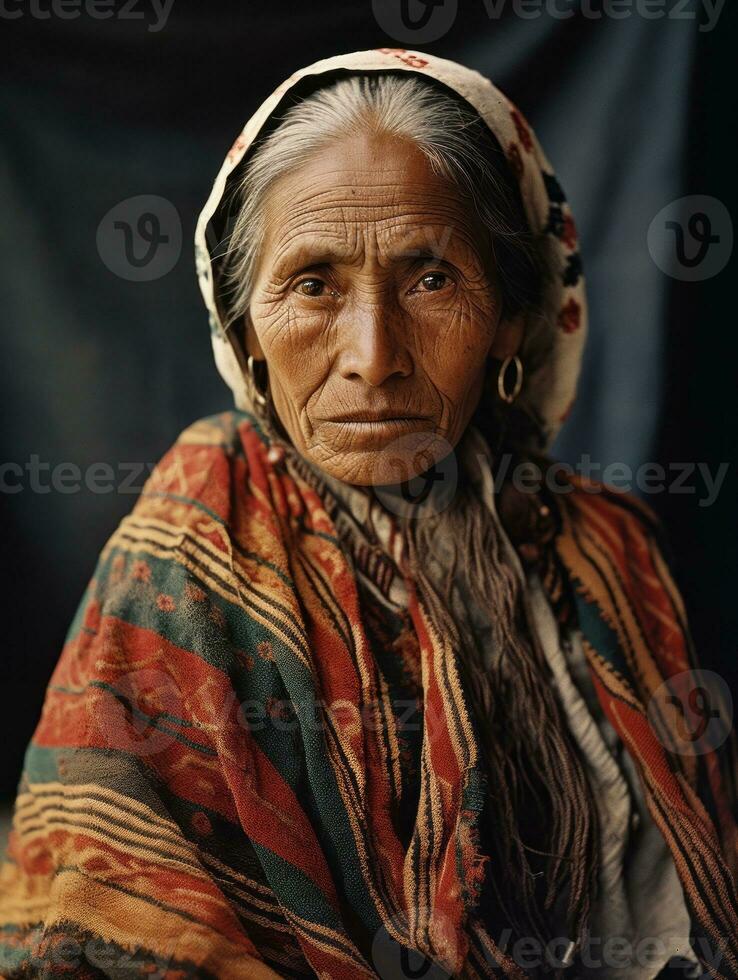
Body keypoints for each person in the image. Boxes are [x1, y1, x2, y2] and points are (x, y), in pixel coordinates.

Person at [0, 49, 735, 980]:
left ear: (511, 317)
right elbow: (108, 934)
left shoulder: (606, 551)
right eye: (313, 284)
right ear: (245, 333)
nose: (374, 355)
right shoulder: (197, 541)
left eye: (431, 278)